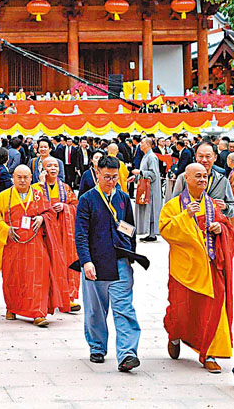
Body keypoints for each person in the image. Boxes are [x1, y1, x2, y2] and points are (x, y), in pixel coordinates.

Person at [160, 163, 234, 374]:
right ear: (186, 179)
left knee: (214, 308)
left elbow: (228, 228)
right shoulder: (174, 205)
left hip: (211, 267)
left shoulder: (212, 204)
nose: (202, 180)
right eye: (198, 176)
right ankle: (175, 336)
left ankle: (209, 353)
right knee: (181, 309)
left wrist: (220, 228)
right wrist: (185, 216)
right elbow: (165, 230)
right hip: (184, 269)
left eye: (205, 176)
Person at [75, 155, 145, 371]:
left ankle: (127, 354)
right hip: (96, 262)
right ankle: (97, 346)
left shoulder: (122, 197)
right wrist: (86, 262)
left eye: (115, 177)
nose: (111, 181)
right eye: (107, 177)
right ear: (97, 173)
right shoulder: (87, 199)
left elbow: (130, 228)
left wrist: (131, 254)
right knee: (95, 309)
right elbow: (81, 234)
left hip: (120, 261)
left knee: (124, 308)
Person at [0, 165, 69, 327]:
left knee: (38, 278)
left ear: (31, 178)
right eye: (19, 177)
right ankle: (12, 308)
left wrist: (42, 218)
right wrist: (6, 229)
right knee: (12, 278)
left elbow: (50, 213)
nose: (23, 180)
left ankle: (38, 313)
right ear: (13, 178)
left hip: (35, 245)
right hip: (13, 245)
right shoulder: (3, 197)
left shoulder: (38, 195)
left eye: (26, 177)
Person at [33, 156, 81, 313]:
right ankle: (47, 299)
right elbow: (34, 206)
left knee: (65, 263)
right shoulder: (36, 188)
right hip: (45, 232)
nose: (53, 168)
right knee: (46, 265)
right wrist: (41, 185)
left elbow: (75, 206)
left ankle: (67, 297)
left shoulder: (65, 188)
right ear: (43, 169)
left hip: (63, 232)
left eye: (55, 166)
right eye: (49, 166)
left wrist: (65, 207)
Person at [168, 141, 234, 218]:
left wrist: (225, 207)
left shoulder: (222, 180)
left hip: (214, 223)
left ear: (215, 157)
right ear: (196, 157)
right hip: (189, 223)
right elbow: (172, 205)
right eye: (200, 156)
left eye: (208, 156)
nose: (204, 160)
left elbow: (233, 208)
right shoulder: (184, 177)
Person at [133, 138, 162, 242]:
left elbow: (153, 174)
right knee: (147, 209)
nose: (140, 145)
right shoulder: (146, 156)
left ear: (148, 145)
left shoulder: (152, 157)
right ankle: (149, 233)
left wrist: (140, 172)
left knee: (151, 210)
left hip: (151, 189)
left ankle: (152, 234)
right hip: (145, 186)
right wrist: (136, 177)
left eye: (142, 143)